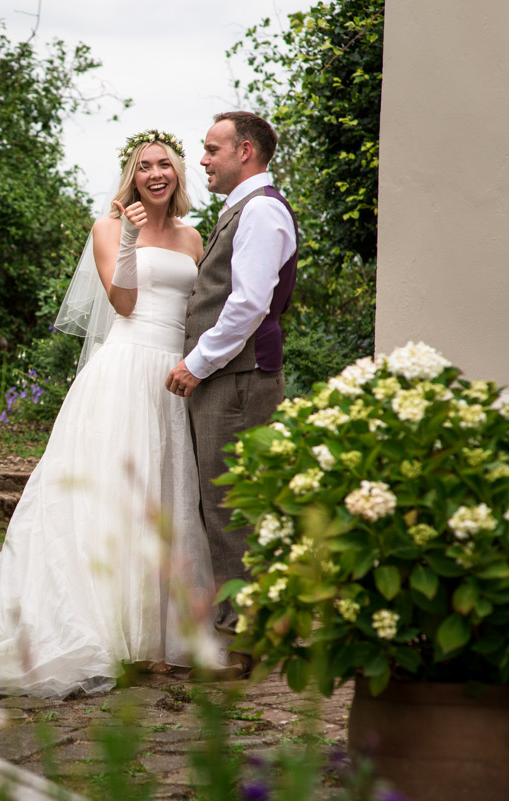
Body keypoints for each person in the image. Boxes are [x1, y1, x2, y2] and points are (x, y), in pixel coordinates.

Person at [0, 131, 220, 698]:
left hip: (172, 377)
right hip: (126, 369)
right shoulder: (108, 229)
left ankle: (157, 639)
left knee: (162, 498)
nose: (155, 174)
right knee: (110, 496)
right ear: (131, 177)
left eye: (165, 165)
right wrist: (130, 237)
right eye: (143, 167)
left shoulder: (191, 236)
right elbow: (124, 303)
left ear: (177, 175)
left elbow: (198, 310)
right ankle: (108, 630)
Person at [165, 112, 299, 676]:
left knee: (233, 509)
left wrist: (196, 364)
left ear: (246, 151)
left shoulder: (262, 210)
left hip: (240, 380)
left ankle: (244, 645)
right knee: (224, 506)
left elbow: (248, 304)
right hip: (232, 377)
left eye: (211, 148)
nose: (202, 159)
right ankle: (245, 633)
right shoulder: (244, 209)